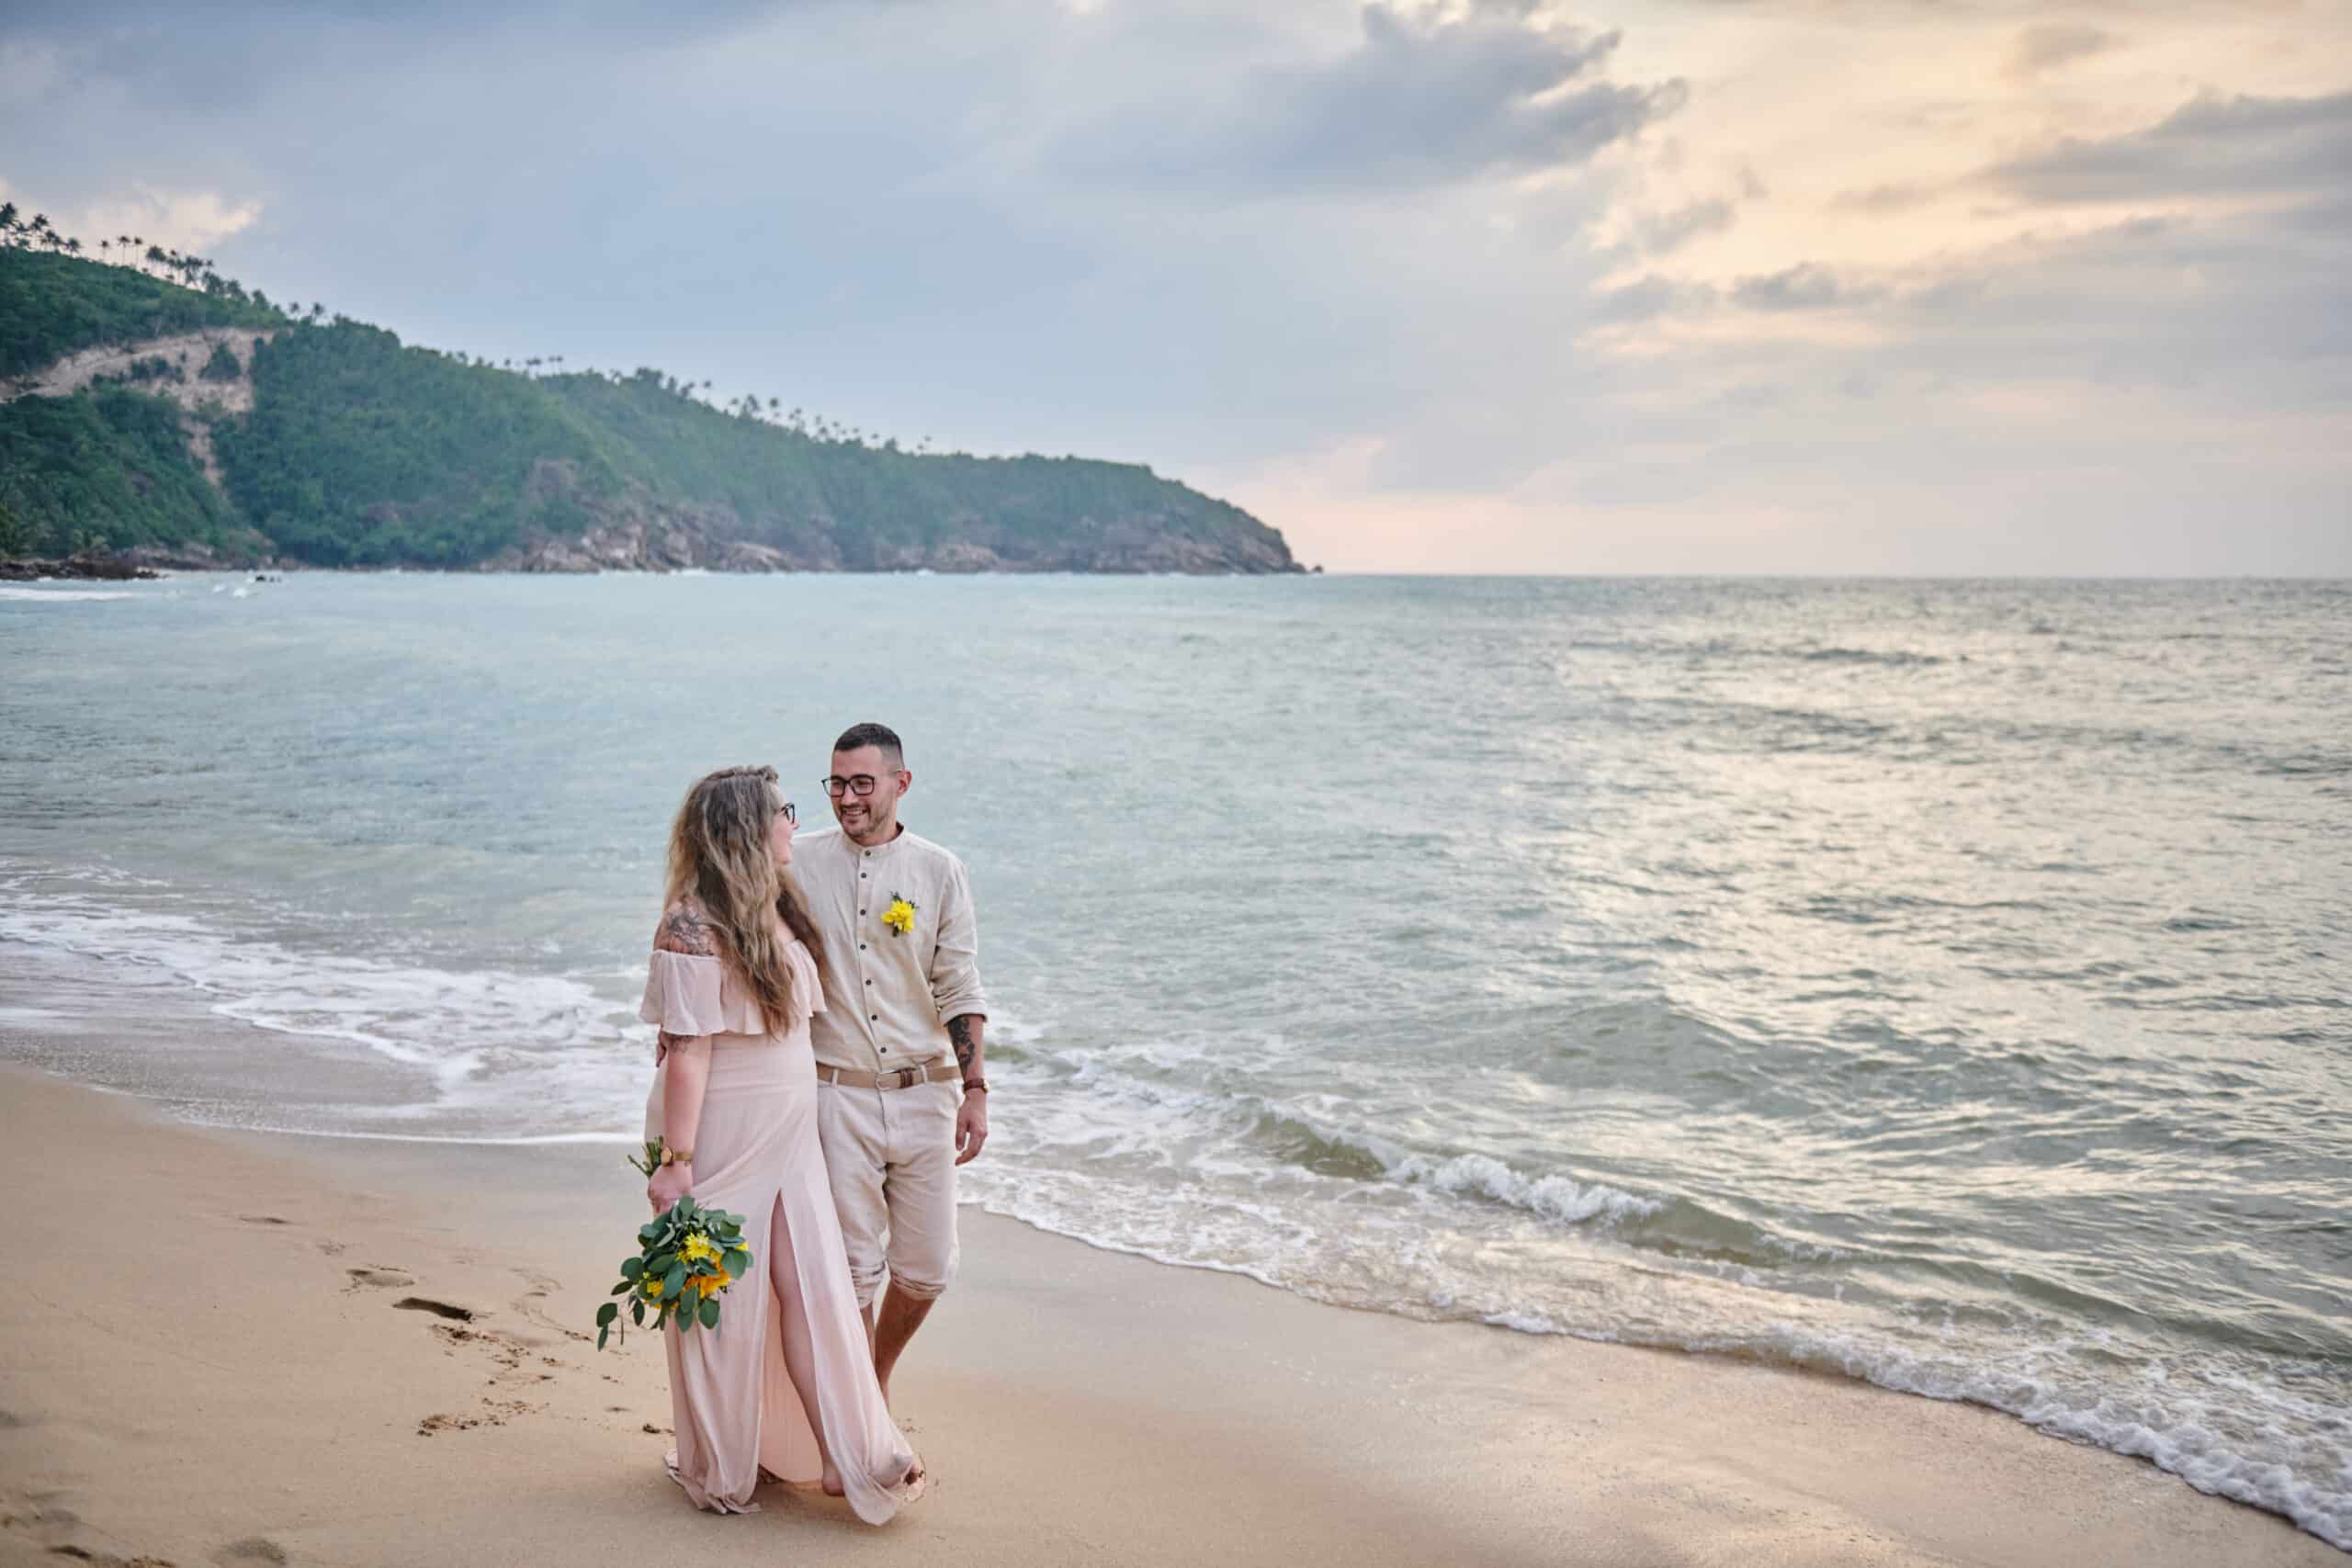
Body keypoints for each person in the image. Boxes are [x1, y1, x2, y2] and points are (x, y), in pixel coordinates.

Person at [638, 764, 922, 1521]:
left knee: (810, 1285)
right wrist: (676, 1162)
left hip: (789, 1125)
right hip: (724, 1127)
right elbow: (690, 1053)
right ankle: (727, 1453)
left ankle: (841, 1452)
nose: (794, 823)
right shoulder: (691, 924)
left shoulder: (778, 907)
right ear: (745, 829)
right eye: (783, 812)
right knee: (724, 1296)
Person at [794, 722, 989, 1402]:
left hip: (924, 1093)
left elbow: (959, 985)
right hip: (834, 1095)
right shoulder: (795, 860)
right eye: (836, 783)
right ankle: (858, 1413)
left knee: (927, 1267)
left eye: (861, 783)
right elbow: (728, 909)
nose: (846, 797)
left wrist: (976, 1088)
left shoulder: (939, 871)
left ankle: (873, 1380)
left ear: (901, 784)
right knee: (850, 1271)